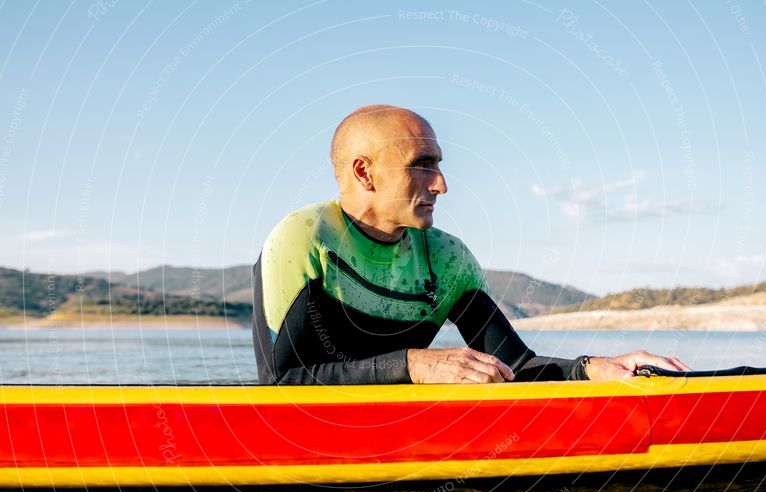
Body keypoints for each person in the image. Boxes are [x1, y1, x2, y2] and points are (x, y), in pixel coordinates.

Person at [252, 105, 690, 385]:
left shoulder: (447, 258)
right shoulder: (303, 239)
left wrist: (593, 367)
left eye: (438, 166)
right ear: (364, 173)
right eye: (422, 166)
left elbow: (514, 365)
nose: (440, 184)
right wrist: (412, 365)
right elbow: (282, 381)